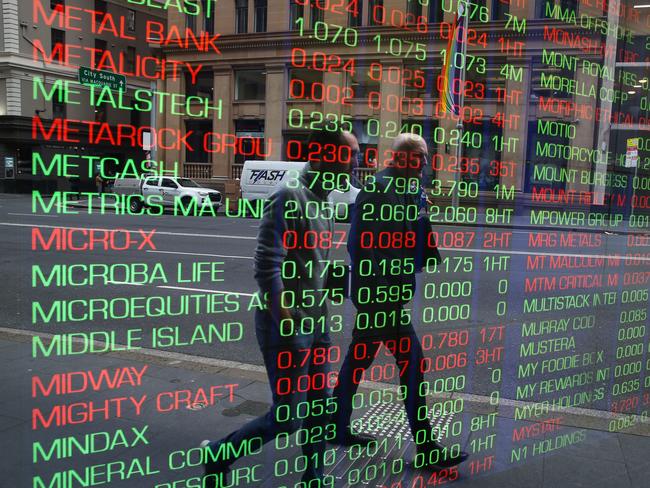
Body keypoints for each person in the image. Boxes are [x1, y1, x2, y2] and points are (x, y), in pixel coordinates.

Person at [201, 127, 358, 487]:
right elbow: (267, 267)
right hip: (284, 324)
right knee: (288, 417)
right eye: (350, 154)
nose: (356, 163)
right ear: (324, 155)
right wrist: (286, 323)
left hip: (317, 323)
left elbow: (306, 261)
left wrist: (330, 277)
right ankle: (219, 454)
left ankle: (313, 476)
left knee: (319, 406)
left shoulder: (324, 202)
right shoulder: (289, 196)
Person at [331, 133, 469, 470]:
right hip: (380, 296)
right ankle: (426, 448)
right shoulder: (377, 189)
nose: (425, 163)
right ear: (401, 157)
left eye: (425, 157)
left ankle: (335, 425)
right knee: (412, 363)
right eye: (420, 156)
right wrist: (382, 293)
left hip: (388, 293)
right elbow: (358, 245)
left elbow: (410, 232)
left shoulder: (411, 189)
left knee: (359, 359)